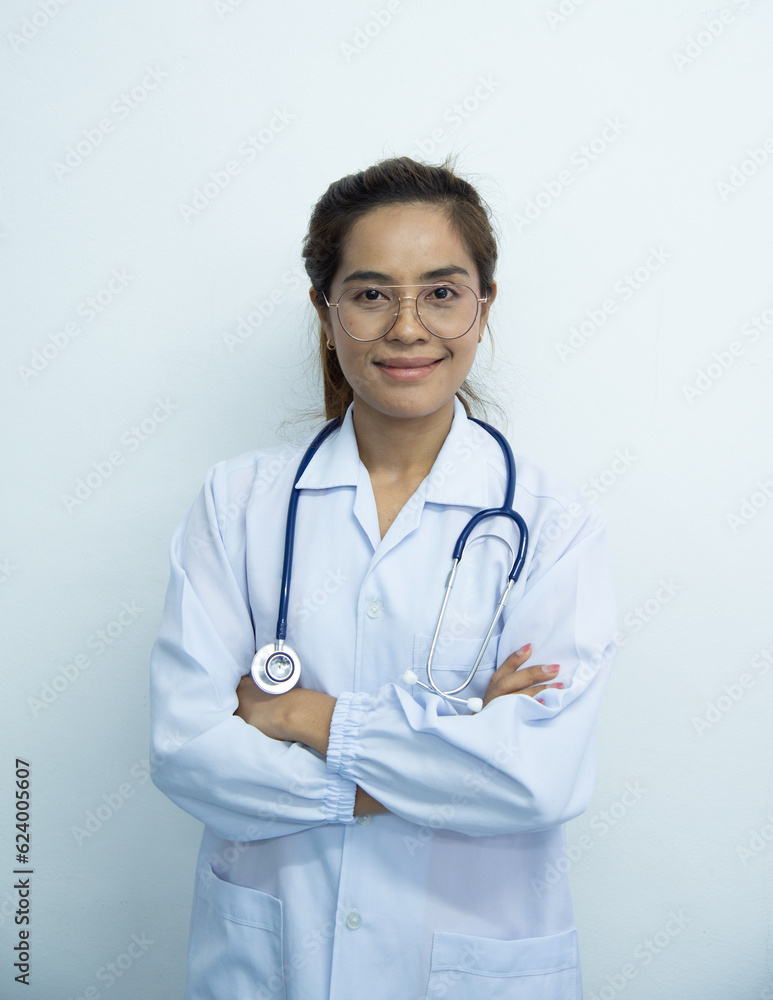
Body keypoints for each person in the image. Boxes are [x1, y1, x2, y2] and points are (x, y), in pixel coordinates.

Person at [149, 156, 617, 999]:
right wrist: (456, 747)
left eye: (441, 292)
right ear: (325, 313)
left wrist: (306, 717)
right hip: (274, 956)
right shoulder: (238, 503)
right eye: (370, 294)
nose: (407, 328)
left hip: (472, 962)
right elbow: (190, 754)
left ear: (483, 307)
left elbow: (535, 778)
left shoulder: (552, 524)